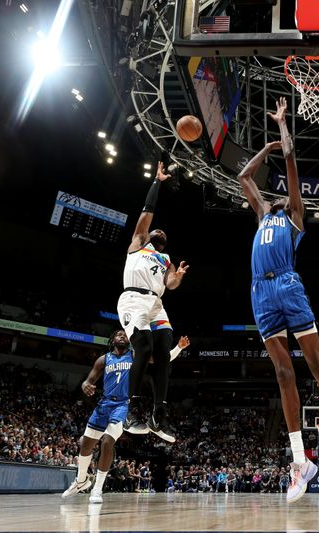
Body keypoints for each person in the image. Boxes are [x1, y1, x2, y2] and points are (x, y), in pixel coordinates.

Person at [237, 97, 319, 503]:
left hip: (288, 286)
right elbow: (244, 177)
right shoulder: (262, 214)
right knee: (282, 374)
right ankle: (300, 464)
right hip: (260, 290)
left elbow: (292, 163)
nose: (273, 195)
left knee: (315, 364)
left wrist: (282, 128)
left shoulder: (293, 214)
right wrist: (265, 150)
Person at [62, 330, 189, 504]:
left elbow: (162, 359)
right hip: (104, 404)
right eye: (118, 334)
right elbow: (88, 380)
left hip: (123, 405)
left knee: (107, 441)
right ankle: (81, 480)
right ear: (112, 340)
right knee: (86, 444)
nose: (122, 336)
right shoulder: (103, 360)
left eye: (125, 335)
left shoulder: (136, 355)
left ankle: (97, 489)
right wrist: (86, 385)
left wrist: (178, 348)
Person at [117, 161, 189, 442]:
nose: (159, 232)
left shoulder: (167, 260)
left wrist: (179, 276)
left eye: (163, 234)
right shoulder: (137, 243)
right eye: (156, 231)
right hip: (133, 299)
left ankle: (158, 415)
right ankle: (131, 410)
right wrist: (157, 181)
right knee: (143, 347)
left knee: (163, 350)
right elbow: (147, 212)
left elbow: (169, 285)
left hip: (156, 304)